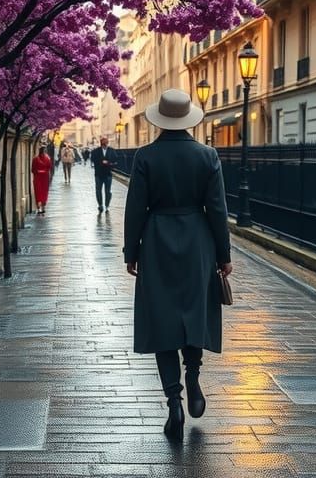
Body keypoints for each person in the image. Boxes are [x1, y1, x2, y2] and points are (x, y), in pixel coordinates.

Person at [123, 88, 232, 442]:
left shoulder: (145, 157)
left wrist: (131, 251)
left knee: (163, 319)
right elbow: (217, 209)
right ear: (187, 119)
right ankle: (195, 376)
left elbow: (135, 207)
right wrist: (224, 254)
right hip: (198, 242)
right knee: (193, 311)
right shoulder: (207, 155)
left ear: (160, 119)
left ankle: (174, 401)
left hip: (156, 241)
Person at [91, 137, 117, 213]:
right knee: (98, 190)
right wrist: (101, 162)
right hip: (98, 174)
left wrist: (109, 163)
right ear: (101, 143)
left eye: (106, 143)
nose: (105, 144)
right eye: (103, 143)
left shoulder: (112, 151)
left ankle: (107, 205)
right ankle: (100, 205)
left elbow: (115, 160)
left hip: (108, 174)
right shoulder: (95, 151)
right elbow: (93, 159)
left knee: (108, 191)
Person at [31, 145, 53, 215]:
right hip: (44, 177)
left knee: (38, 192)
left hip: (39, 177)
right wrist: (44, 171)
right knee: (43, 192)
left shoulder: (35, 159)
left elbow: (33, 169)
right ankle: (42, 207)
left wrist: (38, 171)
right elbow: (49, 167)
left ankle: (39, 207)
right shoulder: (47, 159)